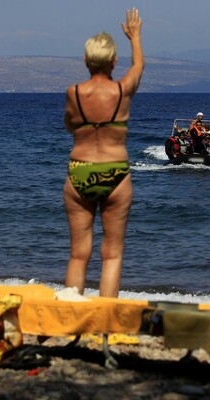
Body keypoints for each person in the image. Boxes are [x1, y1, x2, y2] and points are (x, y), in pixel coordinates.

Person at [63, 8, 144, 298]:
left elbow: (70, 125)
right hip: (116, 172)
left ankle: (72, 320)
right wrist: (134, 36)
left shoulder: (74, 93)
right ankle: (104, 327)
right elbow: (138, 67)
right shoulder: (122, 92)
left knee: (78, 254)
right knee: (111, 254)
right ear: (113, 61)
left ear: (86, 60)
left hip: (80, 171)